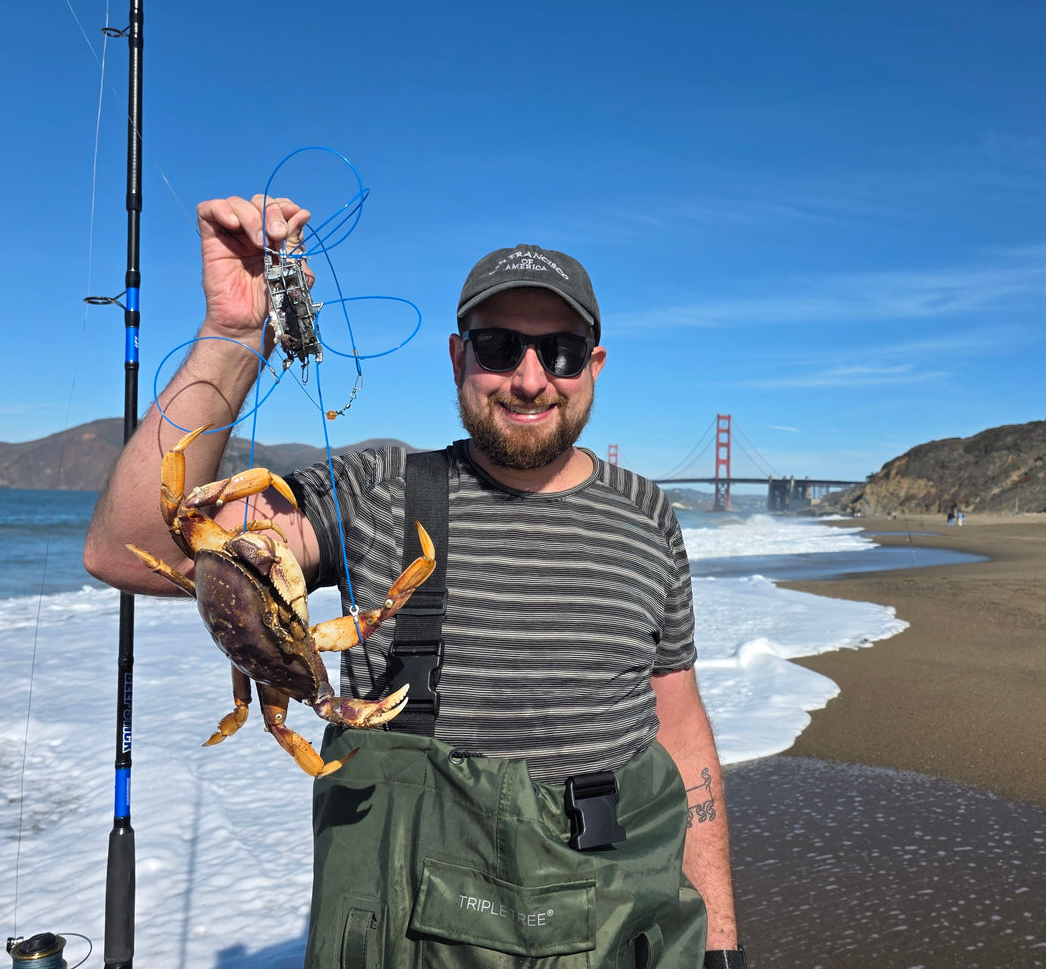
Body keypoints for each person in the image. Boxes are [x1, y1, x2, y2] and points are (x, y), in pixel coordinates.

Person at [84, 195, 744, 968]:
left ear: (592, 365)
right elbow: (129, 548)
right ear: (459, 357)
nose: (530, 380)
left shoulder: (648, 513)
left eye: (559, 351)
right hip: (414, 929)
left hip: (624, 908)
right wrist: (231, 335)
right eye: (500, 346)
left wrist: (720, 941)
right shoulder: (373, 488)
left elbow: (680, 728)